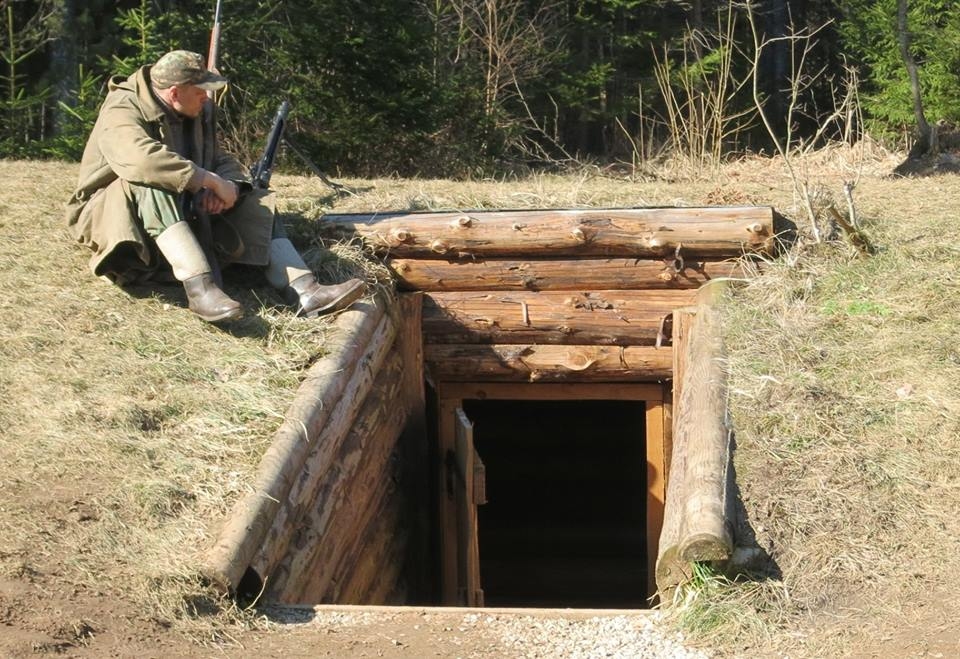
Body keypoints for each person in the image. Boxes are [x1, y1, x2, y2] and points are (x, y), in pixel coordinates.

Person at [64, 50, 365, 323]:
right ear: (174, 93)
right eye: (200, 91)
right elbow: (142, 161)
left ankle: (303, 290)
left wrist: (230, 186)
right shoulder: (122, 108)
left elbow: (218, 157)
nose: (207, 98)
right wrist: (206, 181)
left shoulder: (196, 108)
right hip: (111, 214)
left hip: (180, 209)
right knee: (150, 183)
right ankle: (201, 289)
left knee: (253, 198)